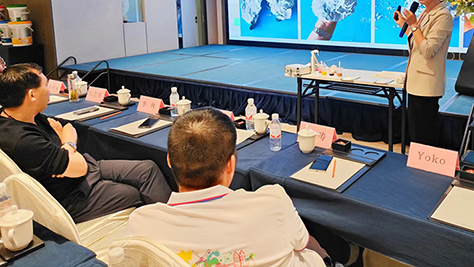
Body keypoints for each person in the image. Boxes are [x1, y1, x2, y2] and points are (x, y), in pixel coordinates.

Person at [127, 107, 332, 267]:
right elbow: (303, 244)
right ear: (231, 164)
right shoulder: (272, 202)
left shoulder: (141, 224)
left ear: (169, 161)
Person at [0, 63, 171, 223]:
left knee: (147, 169)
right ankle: (169, 228)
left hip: (83, 171)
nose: (49, 91)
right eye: (45, 86)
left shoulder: (24, 114)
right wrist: (68, 145)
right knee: (134, 192)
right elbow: (78, 165)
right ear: (32, 95)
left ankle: (174, 222)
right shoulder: (22, 140)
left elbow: (67, 127)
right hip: (71, 196)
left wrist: (66, 148)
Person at [394, 0, 453, 147]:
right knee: (416, 134)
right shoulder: (426, 12)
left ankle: (425, 164)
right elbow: (418, 42)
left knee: (424, 136)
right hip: (416, 82)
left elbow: (428, 50)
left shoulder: (443, 15)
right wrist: (405, 25)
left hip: (427, 85)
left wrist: (413, 25)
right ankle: (417, 162)